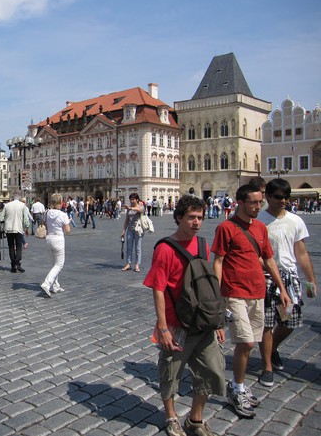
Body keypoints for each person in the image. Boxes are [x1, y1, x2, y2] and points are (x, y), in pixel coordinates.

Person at [144, 195, 226, 436]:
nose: (196, 222)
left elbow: (209, 286)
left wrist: (217, 321)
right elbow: (158, 289)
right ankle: (171, 418)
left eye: (200, 217)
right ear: (179, 217)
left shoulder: (203, 245)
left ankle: (195, 419)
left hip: (203, 322)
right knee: (170, 374)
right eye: (191, 217)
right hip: (176, 322)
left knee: (212, 371)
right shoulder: (164, 249)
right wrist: (163, 328)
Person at [212, 184, 290, 418]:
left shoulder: (260, 228)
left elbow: (269, 260)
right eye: (254, 203)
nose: (259, 207)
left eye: (260, 202)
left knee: (251, 341)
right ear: (240, 203)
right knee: (245, 342)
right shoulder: (226, 228)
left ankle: (239, 386)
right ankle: (237, 388)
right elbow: (218, 262)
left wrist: (282, 289)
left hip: (258, 292)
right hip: (234, 292)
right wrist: (217, 295)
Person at [256, 179, 317, 387]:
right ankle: (267, 367)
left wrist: (311, 280)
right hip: (266, 277)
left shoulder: (295, 221)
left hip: (290, 277)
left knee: (290, 320)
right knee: (268, 323)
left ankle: (272, 348)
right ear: (268, 197)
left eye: (286, 197)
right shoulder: (259, 221)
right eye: (279, 197)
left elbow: (301, 252)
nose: (283, 201)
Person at [40, 193, 71, 298]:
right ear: (61, 202)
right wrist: (67, 223)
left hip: (49, 239)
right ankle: (47, 284)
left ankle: (55, 286)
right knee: (59, 264)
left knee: (53, 264)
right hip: (58, 239)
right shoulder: (63, 215)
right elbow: (68, 231)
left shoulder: (47, 212)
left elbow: (44, 224)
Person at [0, 192, 30, 273]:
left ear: (13, 197)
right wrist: (27, 228)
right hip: (18, 228)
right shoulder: (22, 205)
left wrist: (3, 223)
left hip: (8, 229)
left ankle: (13, 265)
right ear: (19, 198)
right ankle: (17, 263)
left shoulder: (7, 205)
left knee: (11, 247)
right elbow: (26, 219)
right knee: (19, 246)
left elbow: (1, 218)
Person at [121, 193, 144, 272]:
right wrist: (124, 231)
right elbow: (127, 220)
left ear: (137, 199)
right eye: (131, 199)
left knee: (138, 248)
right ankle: (128, 263)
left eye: (133, 199)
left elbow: (141, 210)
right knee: (129, 247)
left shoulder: (140, 206)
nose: (132, 201)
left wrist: (131, 208)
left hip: (138, 229)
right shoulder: (129, 209)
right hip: (130, 230)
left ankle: (137, 265)